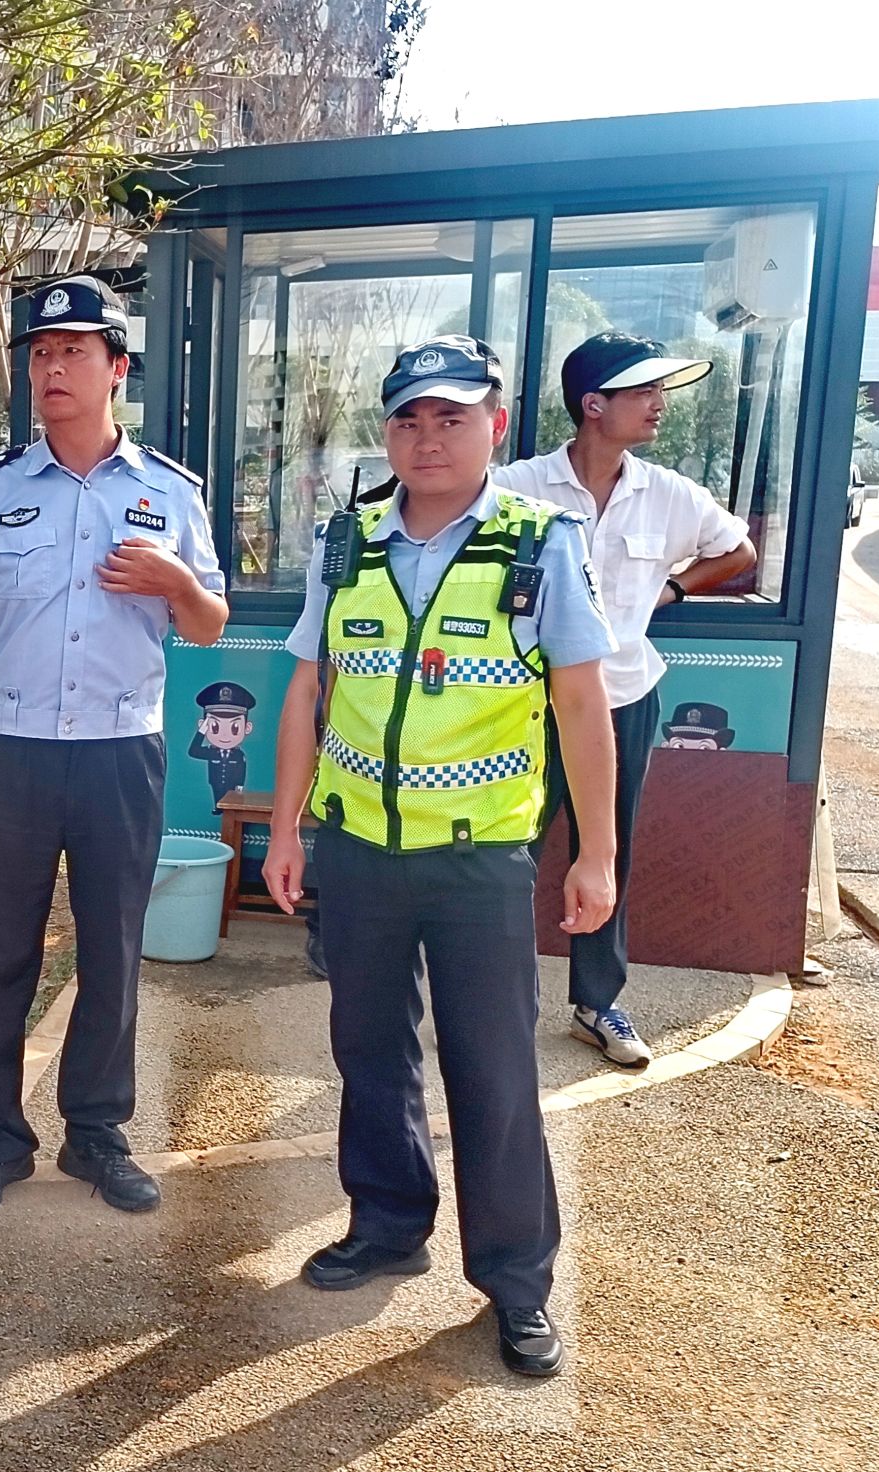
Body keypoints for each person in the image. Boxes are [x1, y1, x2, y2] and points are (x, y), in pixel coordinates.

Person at [261, 334, 620, 1378]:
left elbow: (580, 705)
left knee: (492, 1070)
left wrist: (596, 854)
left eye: (451, 417)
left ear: (494, 426)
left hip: (478, 860)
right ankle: (386, 1224)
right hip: (360, 851)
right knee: (368, 1050)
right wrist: (285, 829)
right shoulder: (348, 543)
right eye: (408, 419)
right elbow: (308, 688)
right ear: (387, 432)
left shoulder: (537, 543)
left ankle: (515, 1282)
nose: (427, 438)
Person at [0, 275, 229, 1216]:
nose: (53, 368)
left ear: (116, 368)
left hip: (119, 754)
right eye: (42, 353)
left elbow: (208, 623)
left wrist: (177, 582)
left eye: (75, 351)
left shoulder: (169, 493)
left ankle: (96, 1134)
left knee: (113, 948)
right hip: (12, 752)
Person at [496, 332, 755, 1066]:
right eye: (644, 391)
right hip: (522, 701)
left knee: (607, 848)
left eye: (659, 391)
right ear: (593, 404)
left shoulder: (669, 494)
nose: (659, 404)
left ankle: (597, 1002)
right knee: (504, 849)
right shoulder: (516, 486)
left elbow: (737, 552)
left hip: (622, 697)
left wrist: (674, 588)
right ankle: (494, 999)